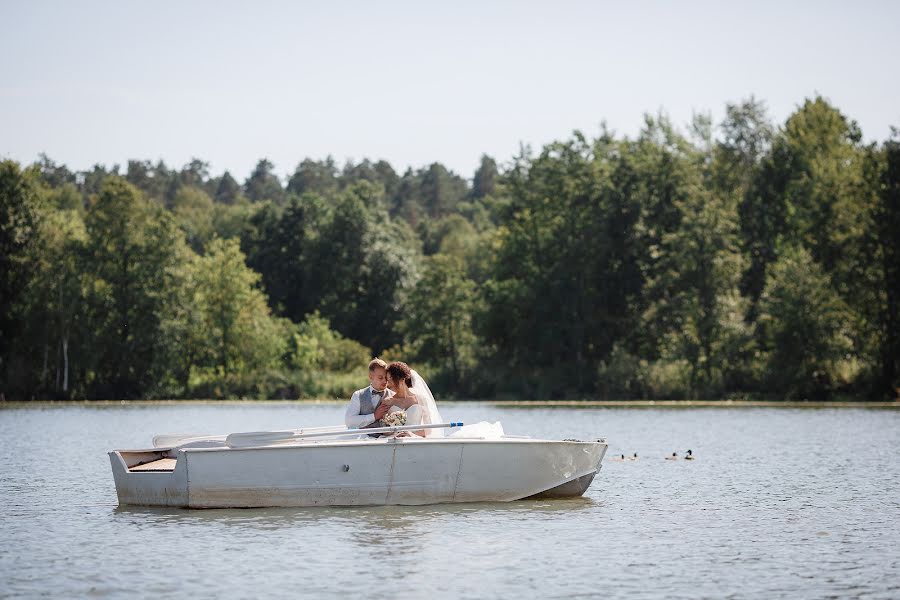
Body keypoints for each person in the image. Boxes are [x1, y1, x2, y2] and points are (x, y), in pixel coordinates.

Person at [375, 361, 443, 437]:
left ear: (402, 379)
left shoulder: (421, 399)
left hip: (415, 439)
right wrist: (396, 434)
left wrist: (411, 434)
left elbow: (428, 430)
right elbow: (383, 429)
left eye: (391, 379)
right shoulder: (387, 401)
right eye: (388, 380)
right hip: (395, 440)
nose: (389, 384)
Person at [344, 358, 395, 429]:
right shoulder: (358, 395)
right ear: (370, 377)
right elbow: (349, 421)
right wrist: (374, 416)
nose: (384, 381)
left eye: (386, 378)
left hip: (385, 438)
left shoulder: (394, 396)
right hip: (363, 437)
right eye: (380, 378)